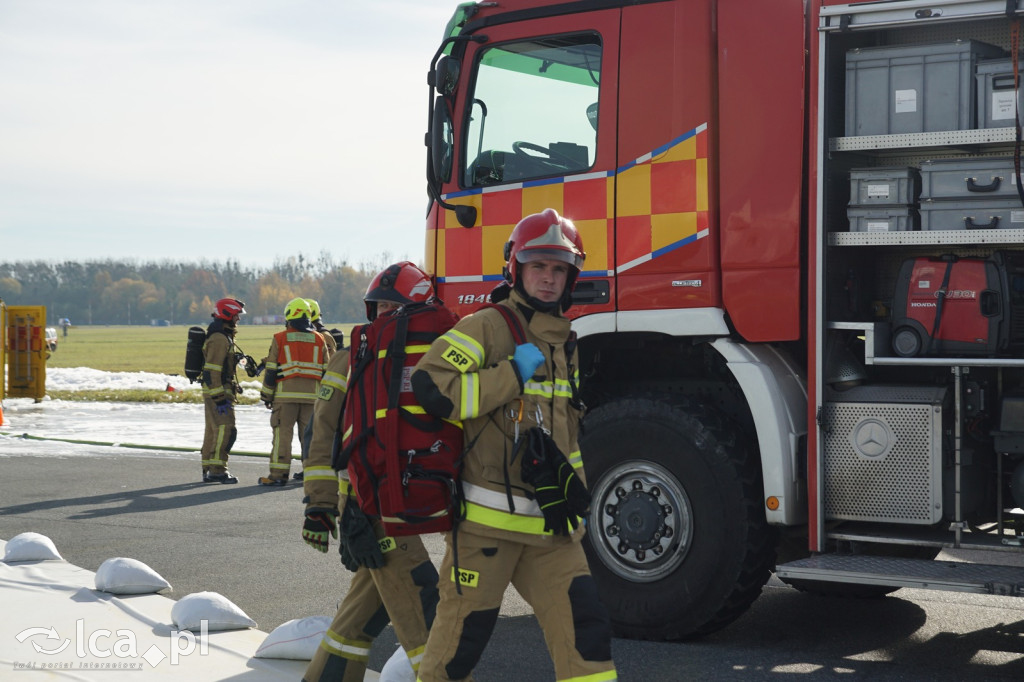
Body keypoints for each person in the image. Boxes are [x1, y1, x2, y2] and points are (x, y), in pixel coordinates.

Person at [411, 209, 617, 681]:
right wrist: (511, 374)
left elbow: (565, 434)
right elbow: (431, 385)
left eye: (559, 269)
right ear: (515, 269)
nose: (548, 279)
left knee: (587, 632)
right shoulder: (490, 325)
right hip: (487, 531)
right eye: (538, 267)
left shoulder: (565, 342)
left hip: (552, 529)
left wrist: (577, 502)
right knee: (458, 649)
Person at [301, 263, 441, 681]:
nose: (384, 313)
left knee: (359, 618)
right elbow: (321, 433)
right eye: (378, 305)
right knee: (421, 603)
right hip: (369, 505)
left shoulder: (430, 358)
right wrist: (321, 506)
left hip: (405, 498)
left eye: (393, 305)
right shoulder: (351, 358)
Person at [258, 297, 328, 486]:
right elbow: (326, 371)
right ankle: (312, 474)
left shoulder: (280, 338)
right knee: (310, 438)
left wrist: (266, 395)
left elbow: (271, 370)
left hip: (285, 398)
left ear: (289, 315)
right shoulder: (319, 339)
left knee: (282, 436)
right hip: (312, 399)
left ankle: (278, 476)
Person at [200, 298, 246, 484]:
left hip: (215, 390)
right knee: (226, 429)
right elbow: (212, 370)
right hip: (217, 391)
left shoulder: (222, 335)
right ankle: (218, 470)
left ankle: (208, 468)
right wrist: (219, 397)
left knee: (213, 430)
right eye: (236, 315)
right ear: (227, 314)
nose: (238, 319)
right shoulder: (219, 339)